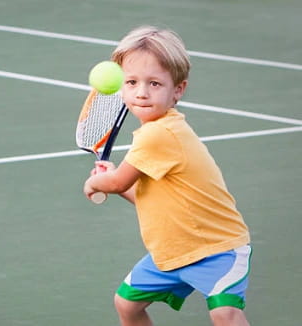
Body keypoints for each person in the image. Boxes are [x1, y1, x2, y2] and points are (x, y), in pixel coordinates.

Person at [83, 26, 251, 326]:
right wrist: (115, 183)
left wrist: (97, 182)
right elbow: (147, 198)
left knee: (225, 314)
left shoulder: (158, 135)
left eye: (155, 83)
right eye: (131, 82)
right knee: (127, 304)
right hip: (173, 252)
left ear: (178, 90)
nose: (141, 92)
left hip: (216, 248)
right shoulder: (155, 133)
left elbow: (119, 181)